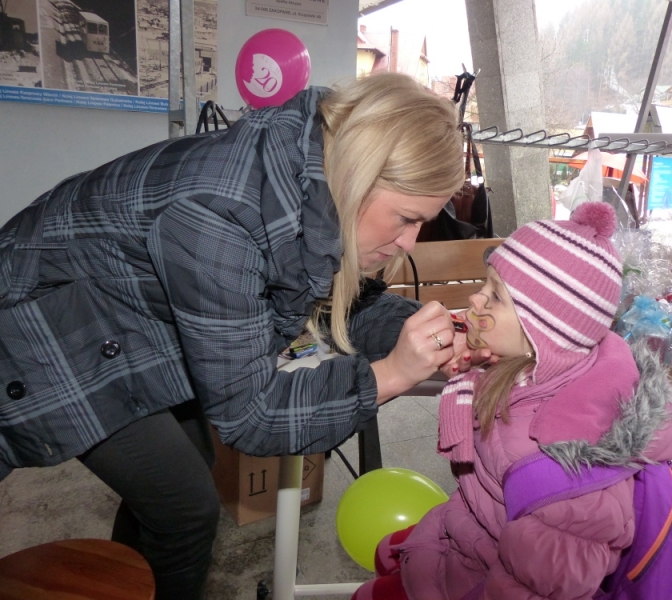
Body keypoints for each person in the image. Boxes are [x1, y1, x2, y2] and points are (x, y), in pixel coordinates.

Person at [0, 73, 487, 599]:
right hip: (38, 332)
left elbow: (340, 306)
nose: (409, 242)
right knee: (185, 509)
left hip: (128, 324)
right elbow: (251, 414)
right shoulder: (219, 218)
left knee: (175, 491)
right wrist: (389, 375)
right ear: (361, 174)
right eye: (407, 219)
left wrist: (422, 331)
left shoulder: (310, 174)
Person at [353, 202, 672, 600]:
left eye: (494, 296)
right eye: (486, 285)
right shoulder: (548, 370)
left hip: (480, 577)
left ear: (541, 332)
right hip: (470, 536)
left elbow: (544, 583)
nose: (476, 299)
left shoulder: (553, 462)